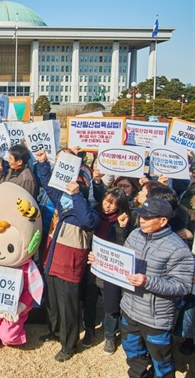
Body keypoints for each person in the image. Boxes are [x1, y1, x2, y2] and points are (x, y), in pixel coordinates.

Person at [107, 198, 192, 378]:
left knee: (161, 360)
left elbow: (183, 286)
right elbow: (123, 263)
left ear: (163, 221)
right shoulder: (135, 235)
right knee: (132, 352)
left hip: (155, 318)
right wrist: (101, 262)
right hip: (129, 309)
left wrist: (148, 282)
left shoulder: (178, 249)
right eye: (141, 216)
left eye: (148, 217)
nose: (142, 220)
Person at [35, 149, 100, 362]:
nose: (72, 185)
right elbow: (47, 185)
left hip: (70, 265)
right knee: (53, 302)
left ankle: (69, 345)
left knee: (68, 306)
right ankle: (54, 332)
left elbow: (87, 222)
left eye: (78, 184)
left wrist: (76, 195)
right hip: (54, 260)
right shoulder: (63, 204)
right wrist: (44, 163)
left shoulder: (88, 210)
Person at [81, 187, 131, 353]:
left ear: (120, 205)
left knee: (111, 304)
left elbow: (123, 247)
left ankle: (110, 335)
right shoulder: (94, 213)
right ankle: (89, 328)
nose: (107, 206)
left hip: (111, 269)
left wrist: (122, 228)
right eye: (106, 200)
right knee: (89, 299)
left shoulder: (124, 220)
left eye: (113, 203)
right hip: (91, 264)